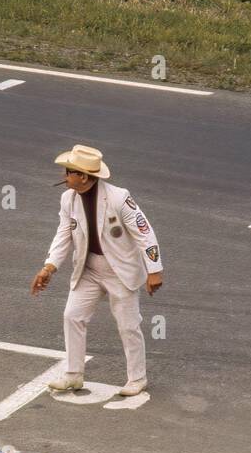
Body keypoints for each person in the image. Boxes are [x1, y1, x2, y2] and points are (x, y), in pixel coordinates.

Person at [29, 144, 163, 396]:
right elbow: (63, 233)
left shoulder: (119, 197)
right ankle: (73, 375)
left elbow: (145, 232)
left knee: (128, 325)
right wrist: (49, 266)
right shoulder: (67, 198)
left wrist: (154, 269)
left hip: (119, 272)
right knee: (72, 316)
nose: (64, 175)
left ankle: (137, 378)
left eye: (69, 171)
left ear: (83, 176)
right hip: (88, 268)